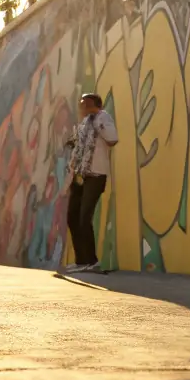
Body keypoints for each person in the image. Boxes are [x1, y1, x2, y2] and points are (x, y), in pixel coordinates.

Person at [63, 93, 117, 272]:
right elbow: (78, 143)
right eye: (81, 103)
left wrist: (96, 121)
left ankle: (91, 261)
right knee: (72, 216)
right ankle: (81, 261)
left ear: (95, 105)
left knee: (84, 217)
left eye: (85, 104)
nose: (82, 107)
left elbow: (112, 139)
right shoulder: (85, 122)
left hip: (96, 175)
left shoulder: (103, 118)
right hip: (80, 175)